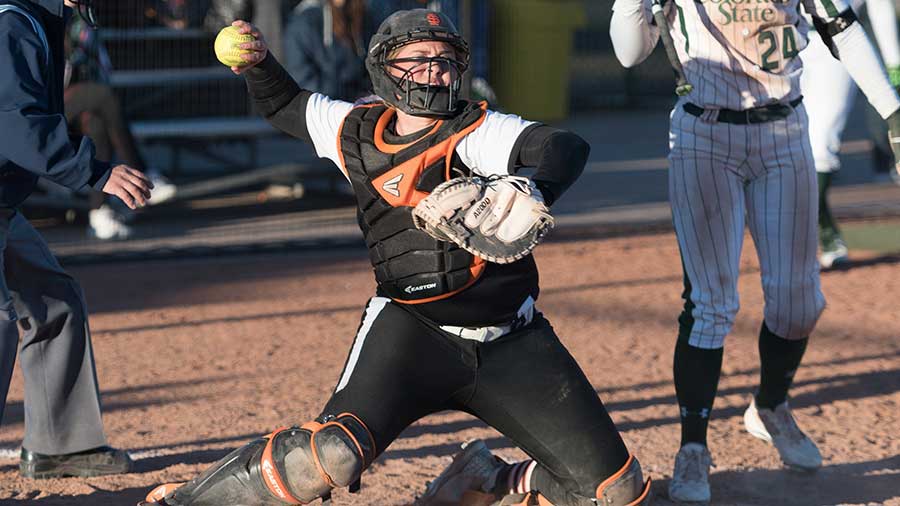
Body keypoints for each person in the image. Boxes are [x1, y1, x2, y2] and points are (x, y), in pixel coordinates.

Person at [140, 10, 651, 506]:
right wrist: (257, 65)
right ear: (385, 68)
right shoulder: (355, 132)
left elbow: (563, 145)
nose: (434, 67)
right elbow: (287, 105)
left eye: (445, 58)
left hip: (511, 342)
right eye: (418, 57)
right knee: (332, 455)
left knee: (614, 493)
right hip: (411, 332)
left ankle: (490, 477)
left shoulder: (478, 131)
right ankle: (185, 501)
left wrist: (531, 183)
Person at [611, 0, 900, 502]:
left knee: (799, 303)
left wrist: (894, 113)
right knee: (710, 304)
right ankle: (693, 449)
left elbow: (842, 27)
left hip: (784, 132)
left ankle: (770, 406)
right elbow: (629, 53)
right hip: (703, 135)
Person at [0, 0, 151, 478]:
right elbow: (14, 124)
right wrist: (95, 171)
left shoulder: (40, 17)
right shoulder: (13, 20)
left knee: (53, 302)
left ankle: (59, 446)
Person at [801, 0, 900, 268]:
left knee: (820, 146)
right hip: (777, 47)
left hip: (835, 41)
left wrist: (893, 62)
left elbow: (879, 6)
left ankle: (825, 233)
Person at [63, 11, 177, 240]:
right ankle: (141, 171)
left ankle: (98, 212)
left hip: (76, 97)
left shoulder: (80, 14)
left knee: (96, 125)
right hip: (43, 103)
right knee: (104, 97)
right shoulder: (40, 12)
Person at [283, 0, 369, 101]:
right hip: (323, 108)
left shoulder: (361, 14)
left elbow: (367, 66)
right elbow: (303, 80)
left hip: (358, 105)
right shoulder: (304, 22)